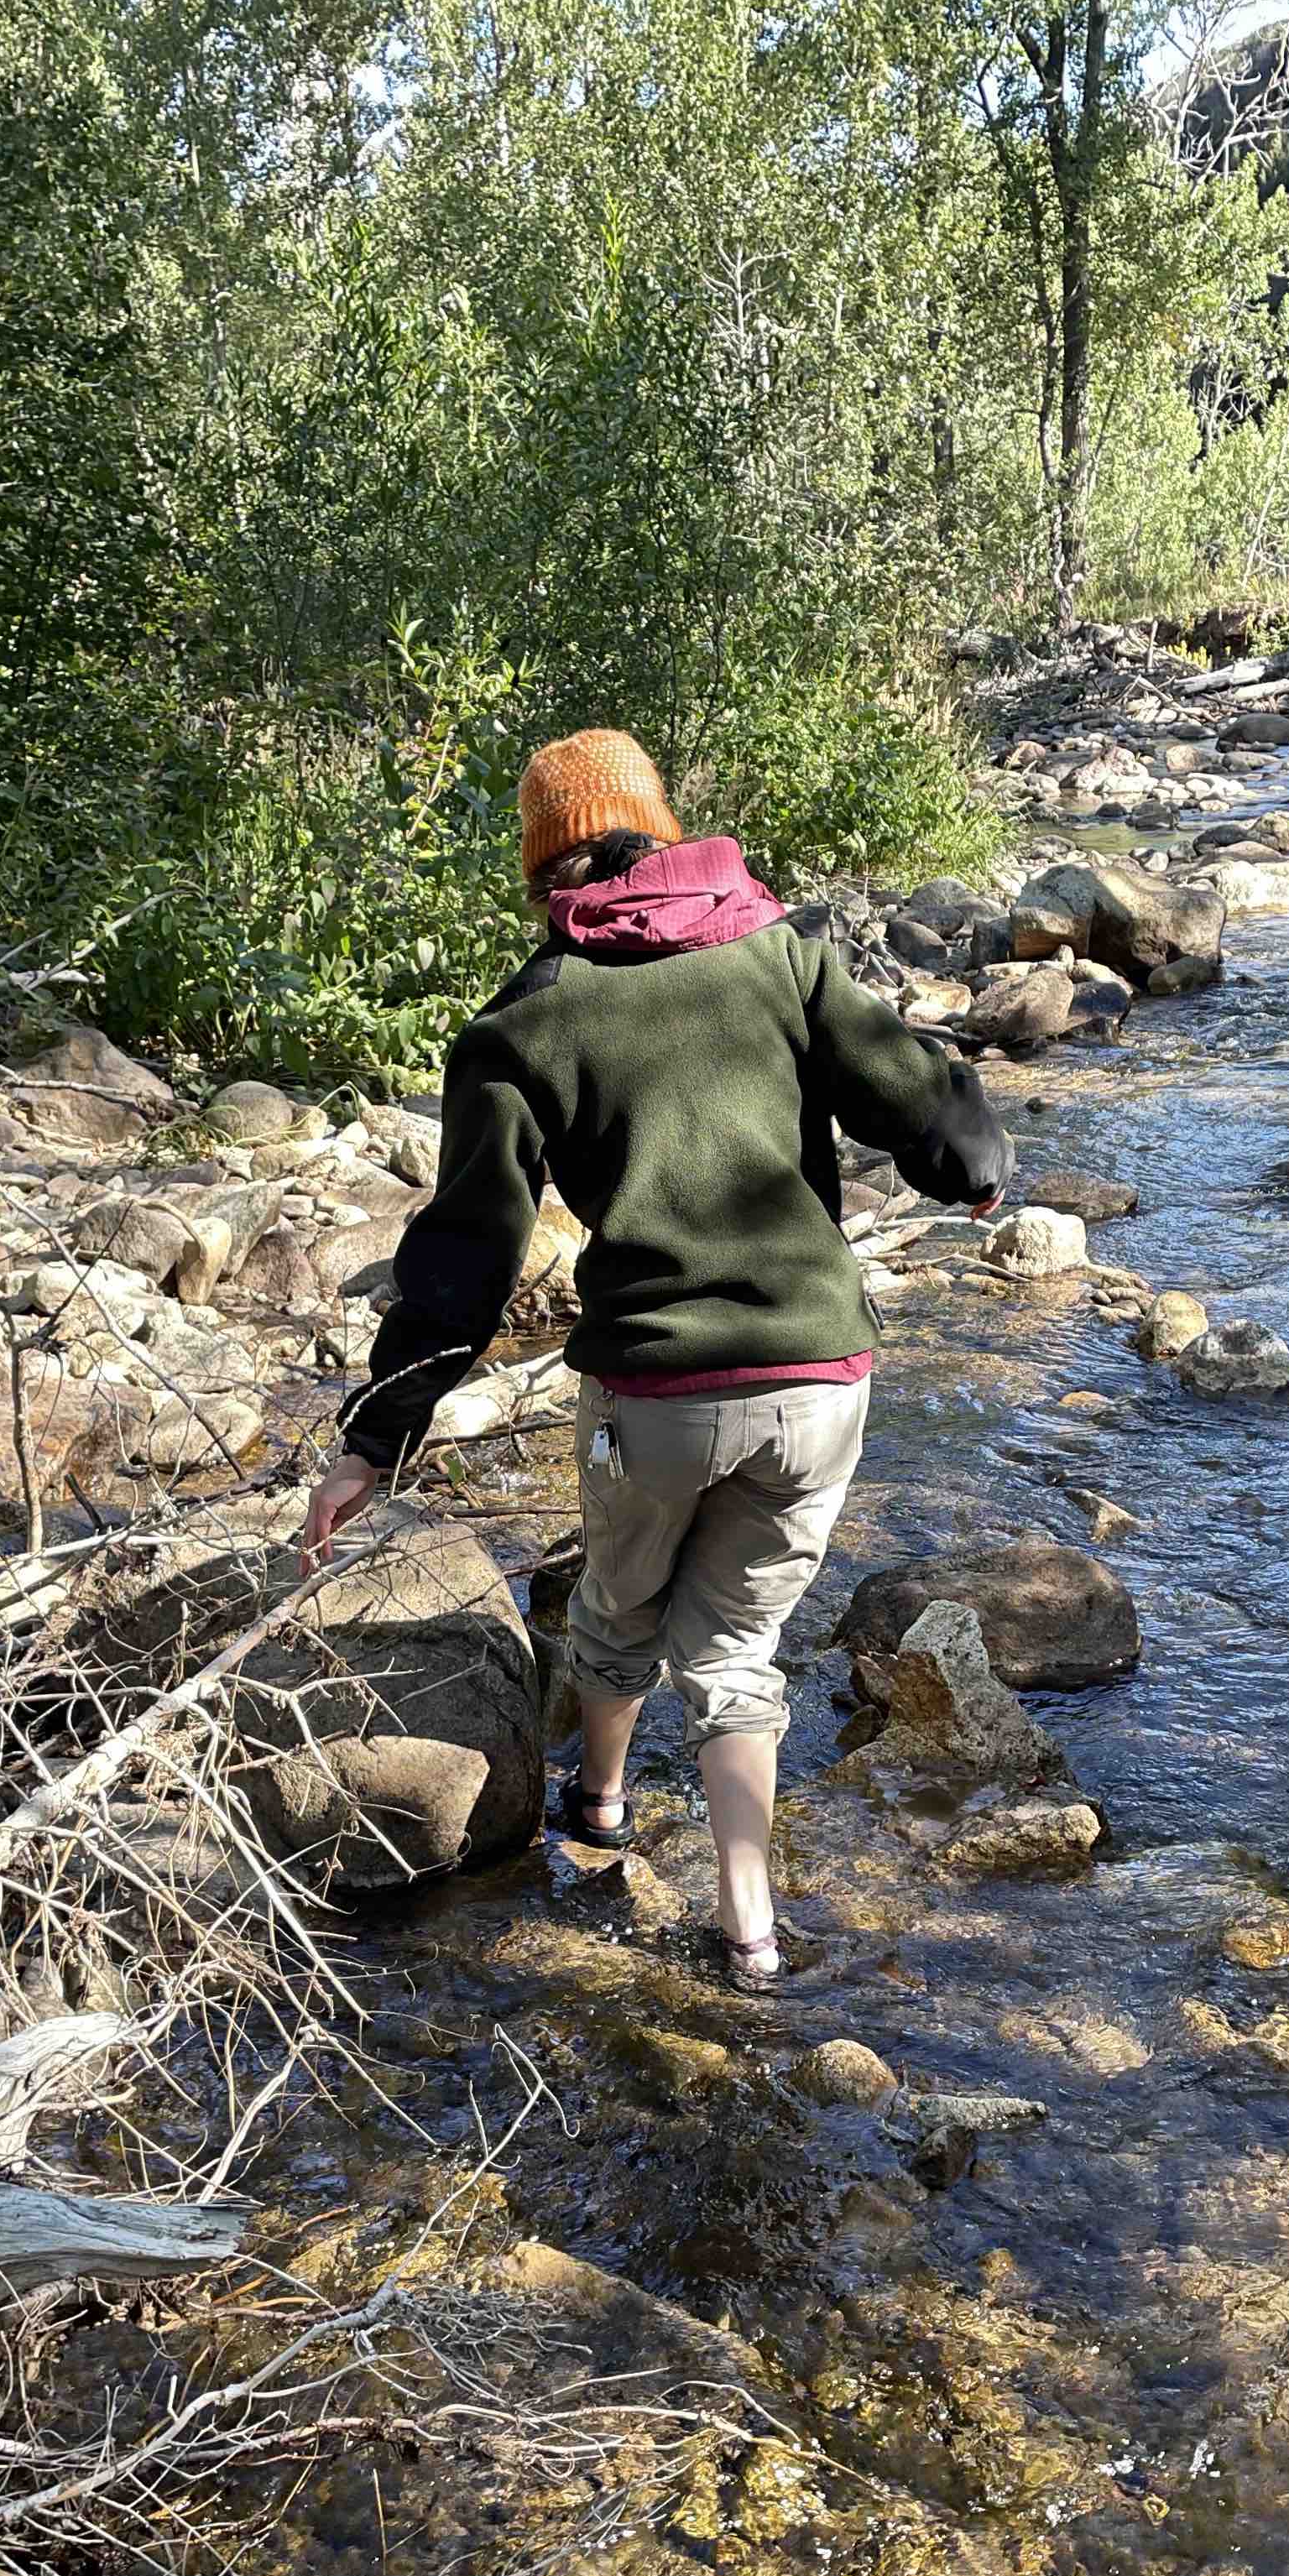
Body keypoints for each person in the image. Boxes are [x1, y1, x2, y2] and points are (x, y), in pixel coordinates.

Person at [303, 727, 1013, 1989]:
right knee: (739, 1654)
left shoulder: (522, 1025)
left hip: (653, 1393)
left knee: (621, 1613)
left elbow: (467, 1250)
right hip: (818, 1382)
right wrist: (973, 1169)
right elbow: (917, 1089)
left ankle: (604, 1804)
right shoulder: (781, 956)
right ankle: (752, 1933)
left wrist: (381, 1435)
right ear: (661, 831)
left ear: (541, 870)